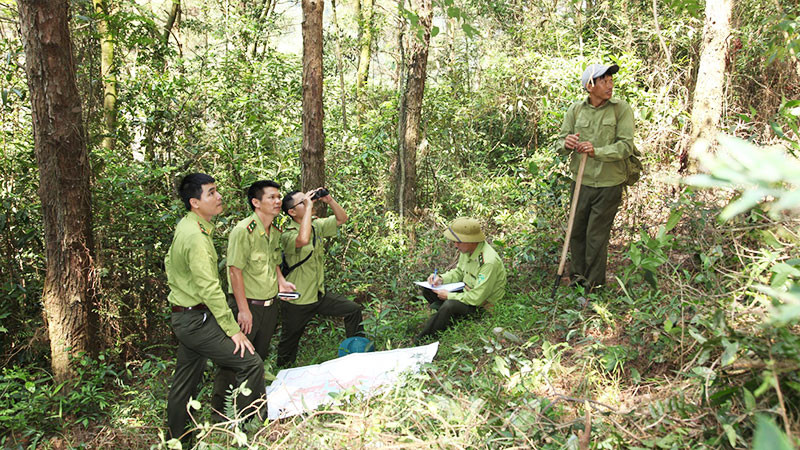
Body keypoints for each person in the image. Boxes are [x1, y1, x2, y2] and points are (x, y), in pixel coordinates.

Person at [165, 173, 265, 443]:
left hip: (188, 317)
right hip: (195, 320)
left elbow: (171, 265)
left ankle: (178, 441)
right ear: (195, 202)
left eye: (216, 191)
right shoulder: (195, 237)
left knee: (185, 383)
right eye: (211, 193)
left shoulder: (189, 225)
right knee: (251, 363)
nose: (218, 197)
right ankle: (246, 431)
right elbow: (210, 289)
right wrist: (234, 331)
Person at [210, 180, 297, 420]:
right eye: (271, 197)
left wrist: (281, 281)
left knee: (257, 358)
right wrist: (243, 310)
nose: (278, 201)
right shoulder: (243, 230)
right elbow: (235, 271)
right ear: (256, 202)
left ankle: (251, 413)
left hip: (269, 305)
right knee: (234, 360)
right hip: (247, 306)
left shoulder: (275, 229)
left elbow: (273, 261)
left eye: (279, 196)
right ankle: (220, 415)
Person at [555, 63, 635, 291]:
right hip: (580, 182)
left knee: (596, 236)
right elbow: (561, 142)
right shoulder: (576, 110)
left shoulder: (621, 109)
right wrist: (567, 143)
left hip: (609, 184)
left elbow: (626, 146)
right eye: (604, 81)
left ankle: (593, 286)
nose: (610, 85)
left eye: (611, 80)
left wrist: (596, 151)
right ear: (590, 86)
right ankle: (577, 280)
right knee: (576, 232)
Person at [276, 188, 364, 368]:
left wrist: (329, 200)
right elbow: (303, 239)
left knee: (352, 310)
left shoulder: (316, 226)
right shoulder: (287, 235)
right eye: (303, 202)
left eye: (308, 200)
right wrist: (308, 209)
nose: (309, 203)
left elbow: (342, 219)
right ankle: (282, 372)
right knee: (289, 342)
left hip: (318, 295)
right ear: (292, 212)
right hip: (297, 300)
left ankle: (358, 352)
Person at [416, 217, 506, 341]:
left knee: (449, 305)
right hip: (466, 293)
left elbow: (477, 298)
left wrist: (449, 296)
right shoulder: (467, 250)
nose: (455, 245)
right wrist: (441, 279)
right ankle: (446, 318)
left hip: (482, 306)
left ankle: (424, 339)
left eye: (458, 241)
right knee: (428, 288)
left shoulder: (488, 262)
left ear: (472, 241)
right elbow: (459, 272)